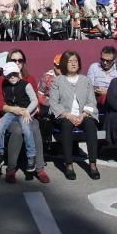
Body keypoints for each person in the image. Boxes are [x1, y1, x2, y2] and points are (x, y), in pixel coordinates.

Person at [48, 51, 100, 180]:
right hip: (64, 115)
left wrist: (83, 115)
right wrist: (68, 115)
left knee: (90, 125)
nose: (73, 64)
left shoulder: (85, 80)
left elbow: (91, 101)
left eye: (75, 61)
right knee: (66, 125)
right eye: (70, 61)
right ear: (65, 64)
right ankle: (69, 164)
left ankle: (93, 164)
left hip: (83, 114)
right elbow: (53, 102)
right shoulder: (58, 81)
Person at [0, 62, 38, 172]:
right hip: (11, 112)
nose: (11, 77)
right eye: (8, 75)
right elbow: (1, 102)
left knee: (26, 129)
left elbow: (34, 100)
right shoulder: (4, 85)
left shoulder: (26, 85)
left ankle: (31, 156)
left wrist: (27, 111)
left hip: (23, 111)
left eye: (14, 74)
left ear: (18, 73)